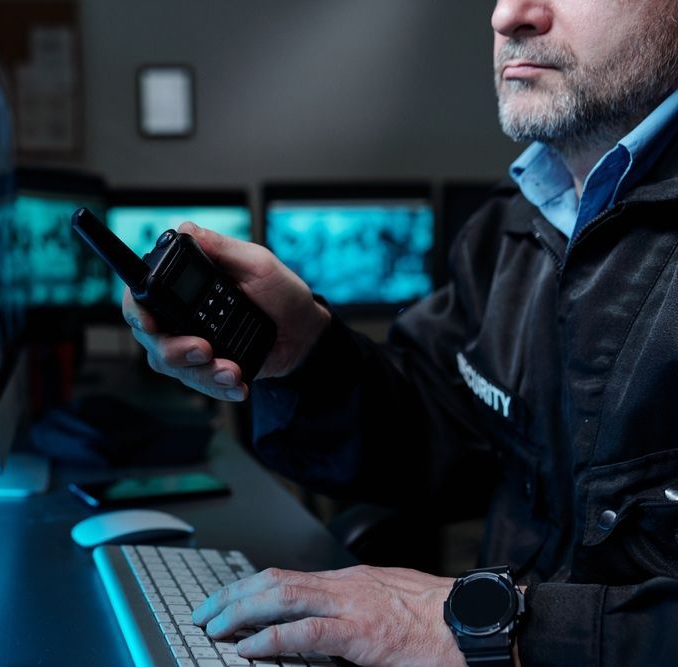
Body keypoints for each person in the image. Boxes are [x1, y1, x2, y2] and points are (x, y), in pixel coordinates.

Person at [122, 0, 678, 664]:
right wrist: (299, 349)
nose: (509, 15)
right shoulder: (507, 229)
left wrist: (481, 630)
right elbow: (435, 436)